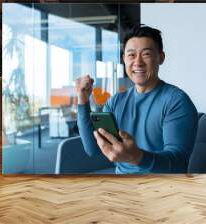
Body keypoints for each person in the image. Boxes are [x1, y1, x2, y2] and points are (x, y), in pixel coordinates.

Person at [76, 24, 198, 174]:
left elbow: (179, 163)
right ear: (124, 59)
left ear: (161, 57)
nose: (138, 62)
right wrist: (82, 99)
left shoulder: (177, 101)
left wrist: (137, 157)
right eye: (131, 55)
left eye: (146, 54)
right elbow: (92, 149)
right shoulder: (116, 101)